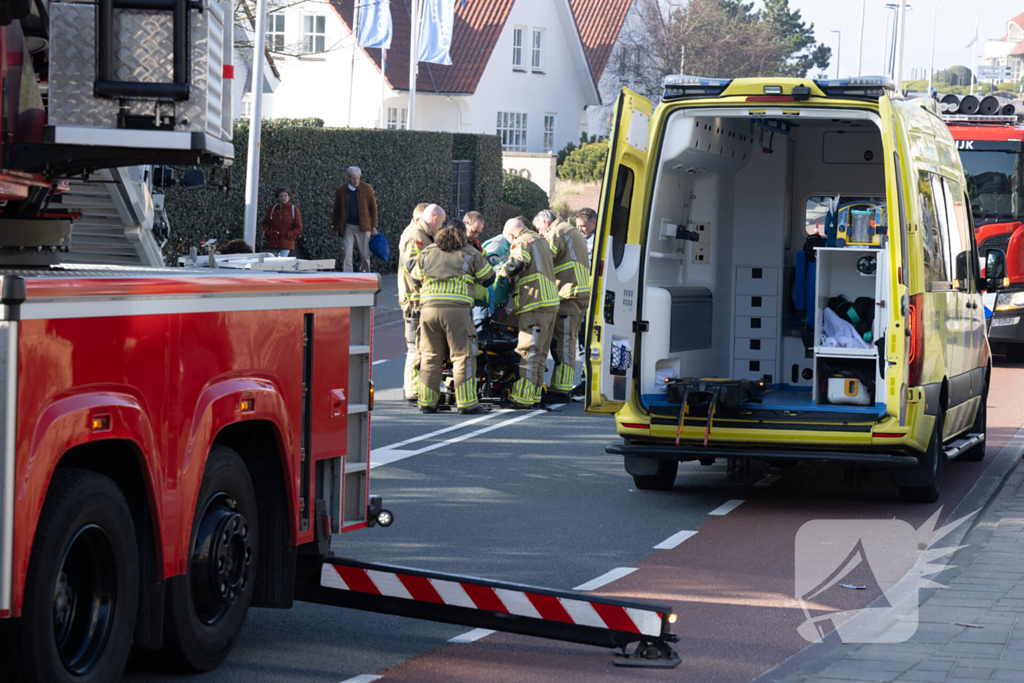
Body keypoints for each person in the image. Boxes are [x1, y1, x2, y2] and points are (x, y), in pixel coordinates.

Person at [410, 221, 495, 415]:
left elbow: (416, 277)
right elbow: (488, 278)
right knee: (462, 356)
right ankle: (466, 403)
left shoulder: (427, 252)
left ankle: (427, 402)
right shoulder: (470, 253)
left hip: (429, 309)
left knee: (430, 357)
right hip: (457, 310)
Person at [496, 217, 560, 408]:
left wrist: (501, 274)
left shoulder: (521, 241)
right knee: (539, 353)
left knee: (527, 352)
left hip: (534, 304)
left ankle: (522, 397)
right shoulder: (540, 240)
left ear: (510, 234)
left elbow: (516, 264)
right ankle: (535, 393)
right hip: (550, 304)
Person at [535, 209, 591, 397]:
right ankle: (562, 386)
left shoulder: (556, 232)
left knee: (563, 342)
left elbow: (543, 258)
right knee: (567, 339)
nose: (541, 235)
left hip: (568, 294)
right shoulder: (572, 231)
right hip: (577, 293)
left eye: (539, 230)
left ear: (545, 223)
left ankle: (561, 389)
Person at [398, 203, 446, 403]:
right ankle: (413, 390)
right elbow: (413, 267)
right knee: (415, 347)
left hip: (419, 299)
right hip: (415, 300)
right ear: (434, 219)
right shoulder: (416, 236)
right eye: (440, 224)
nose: (440, 229)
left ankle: (416, 388)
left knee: (421, 345)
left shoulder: (423, 235)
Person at [331, 166, 379, 272]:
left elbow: (373, 208)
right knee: (347, 253)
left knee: (364, 253)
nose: (356, 180)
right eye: (353, 178)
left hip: (364, 226)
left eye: (358, 178)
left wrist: (374, 226)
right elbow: (336, 210)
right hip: (348, 226)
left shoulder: (367, 189)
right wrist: (334, 227)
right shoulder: (341, 191)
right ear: (348, 178)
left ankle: (366, 273)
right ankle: (348, 276)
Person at [262, 188, 303, 257]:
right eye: (281, 196)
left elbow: (299, 228)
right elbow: (266, 223)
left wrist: (288, 235)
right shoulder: (272, 209)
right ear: (278, 197)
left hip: (286, 243)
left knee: (281, 261)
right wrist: (268, 234)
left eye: (285, 196)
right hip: (273, 242)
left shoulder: (294, 209)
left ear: (288, 197)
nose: (284, 198)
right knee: (273, 263)